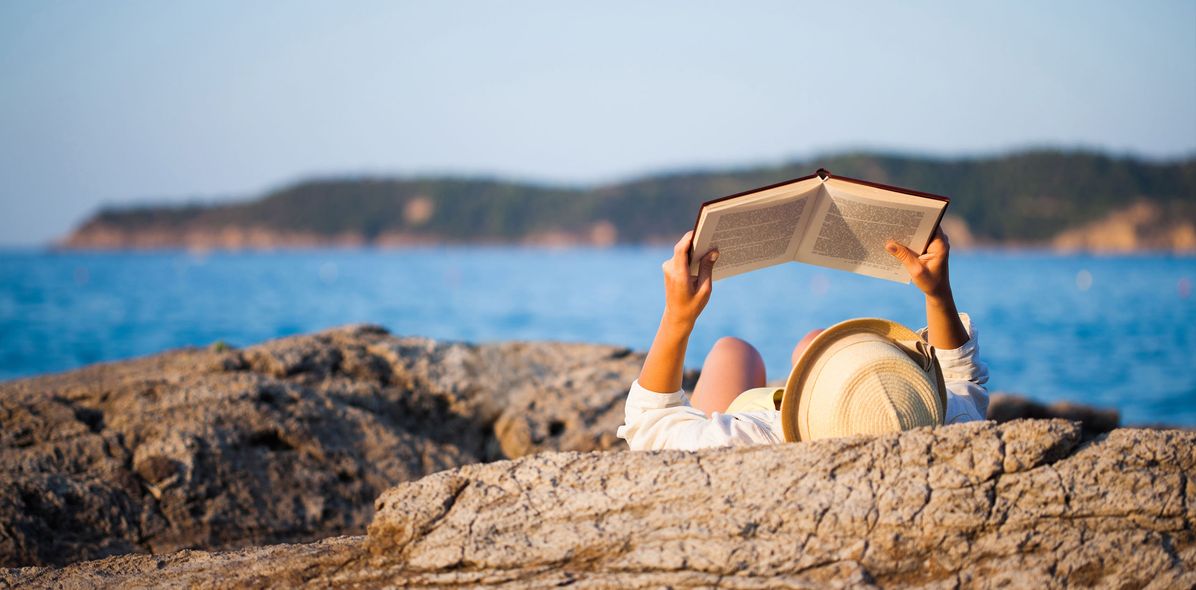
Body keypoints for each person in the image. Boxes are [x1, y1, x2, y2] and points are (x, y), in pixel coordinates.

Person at [617, 228, 989, 451]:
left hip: (775, 423)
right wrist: (937, 293)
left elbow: (649, 426)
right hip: (832, 417)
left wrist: (677, 318)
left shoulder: (755, 438)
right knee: (814, 341)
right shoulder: (941, 422)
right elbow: (959, 376)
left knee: (732, 351)